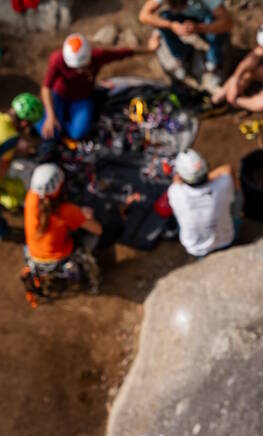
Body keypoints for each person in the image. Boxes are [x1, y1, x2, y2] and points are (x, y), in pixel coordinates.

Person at [37, 33, 155, 143]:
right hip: (60, 95)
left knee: (78, 133)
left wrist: (149, 49)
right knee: (49, 131)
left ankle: (62, 124)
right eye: (75, 68)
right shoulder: (57, 59)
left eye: (83, 66)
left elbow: (122, 53)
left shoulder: (98, 56)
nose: (79, 71)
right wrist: (51, 116)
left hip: (82, 98)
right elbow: (46, 87)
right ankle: (53, 122)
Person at [24, 163, 103, 291]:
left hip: (33, 254)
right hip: (58, 258)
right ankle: (91, 276)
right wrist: (84, 216)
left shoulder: (30, 198)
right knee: (93, 237)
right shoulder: (66, 211)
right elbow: (98, 229)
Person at [139, 0, 233, 90]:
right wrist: (171, 25)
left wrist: (199, 28)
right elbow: (143, 15)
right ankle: (183, 55)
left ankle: (214, 64)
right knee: (164, 16)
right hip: (190, 18)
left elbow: (227, 23)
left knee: (213, 20)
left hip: (207, 20)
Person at [167, 148, 241, 257]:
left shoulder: (175, 192)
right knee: (237, 196)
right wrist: (207, 178)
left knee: (180, 216)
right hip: (227, 239)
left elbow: (176, 182)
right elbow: (227, 169)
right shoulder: (223, 184)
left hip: (197, 248)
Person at [0, 92, 43, 238]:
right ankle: (4, 232)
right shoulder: (11, 137)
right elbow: (2, 168)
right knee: (16, 192)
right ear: (24, 123)